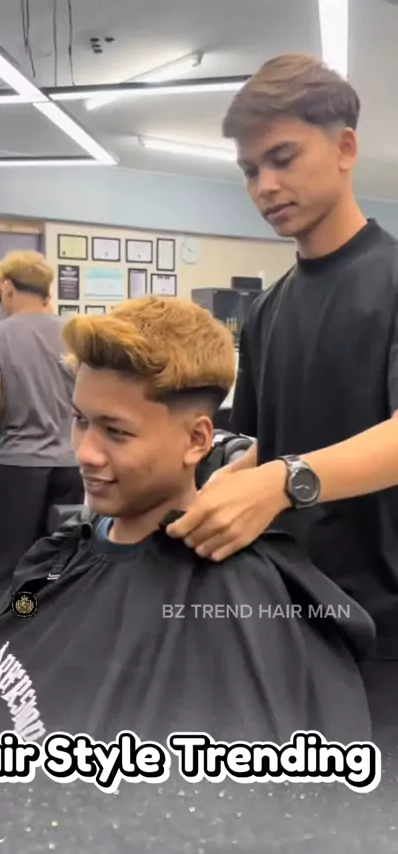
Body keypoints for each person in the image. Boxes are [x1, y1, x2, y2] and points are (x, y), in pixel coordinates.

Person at [0, 296, 374, 754]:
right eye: (80, 420)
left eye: (116, 432)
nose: (84, 452)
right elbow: (18, 625)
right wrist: (11, 614)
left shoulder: (241, 600)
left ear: (196, 440)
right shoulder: (54, 564)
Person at [164, 54, 398, 746]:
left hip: (385, 629)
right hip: (290, 614)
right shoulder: (267, 312)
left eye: (283, 158)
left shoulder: (392, 282)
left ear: (345, 148)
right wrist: (201, 496)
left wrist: (281, 482)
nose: (265, 185)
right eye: (249, 170)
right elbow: (271, 444)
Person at [0, 250, 83, 609]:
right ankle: (42, 625)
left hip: (18, 467)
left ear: (7, 287)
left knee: (7, 562)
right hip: (69, 464)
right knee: (56, 558)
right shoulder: (73, 334)